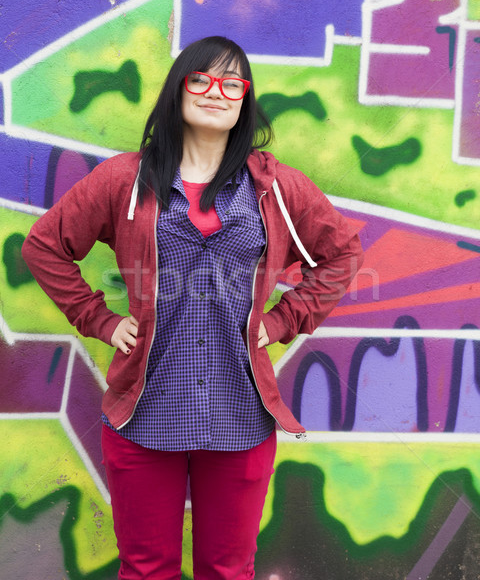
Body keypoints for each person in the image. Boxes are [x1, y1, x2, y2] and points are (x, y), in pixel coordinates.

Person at [22, 35, 364, 580]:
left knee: (227, 571)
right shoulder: (124, 180)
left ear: (244, 101)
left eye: (233, 83)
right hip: (145, 414)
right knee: (146, 569)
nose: (216, 92)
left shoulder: (273, 188)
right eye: (201, 79)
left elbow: (342, 252)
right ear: (178, 90)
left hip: (240, 417)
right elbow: (44, 247)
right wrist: (100, 321)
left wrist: (281, 320)